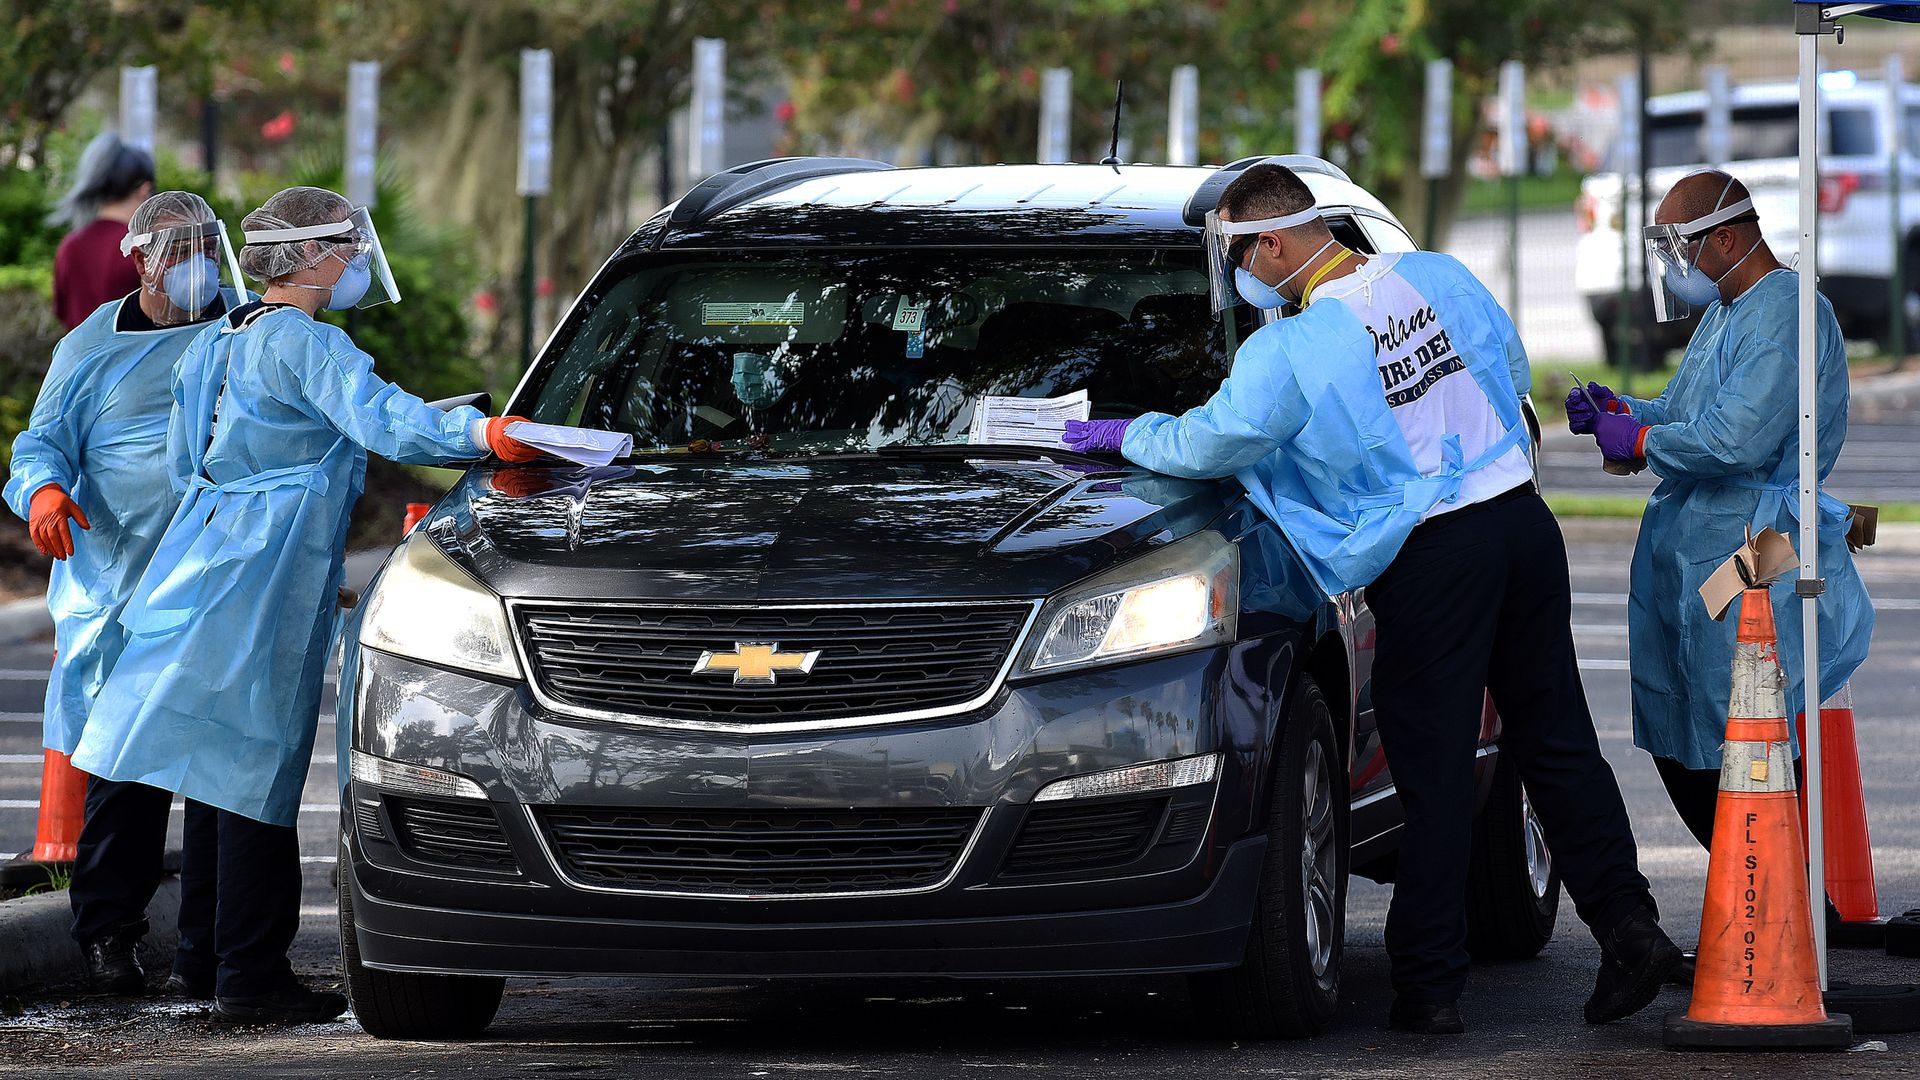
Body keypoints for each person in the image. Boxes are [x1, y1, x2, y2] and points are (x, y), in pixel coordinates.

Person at [1063, 163, 1679, 1034]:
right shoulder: (1439, 276)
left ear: (1269, 243)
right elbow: (1511, 369)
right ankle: (1630, 927)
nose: (1239, 273)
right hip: (1522, 525)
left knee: (1428, 767)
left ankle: (1429, 986)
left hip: (1435, 557)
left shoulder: (1291, 348)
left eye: (1239, 253)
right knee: (1558, 739)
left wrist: (1125, 432)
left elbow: (1214, 439)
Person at [73, 186, 541, 1025]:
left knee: (215, 763)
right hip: (268, 570)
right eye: (351, 248)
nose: (357, 263)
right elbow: (388, 425)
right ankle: (250, 975)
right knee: (259, 771)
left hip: (204, 554)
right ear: (318, 255)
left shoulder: (226, 335)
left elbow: (190, 459)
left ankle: (205, 959)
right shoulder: (308, 341)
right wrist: (485, 437)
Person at [1567, 169, 1874, 858]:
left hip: (1759, 544)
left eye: (1682, 250)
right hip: (1702, 538)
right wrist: (1622, 413)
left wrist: (1642, 441)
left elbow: (1736, 438)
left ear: (1727, 237)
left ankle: (1771, 896)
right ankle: (1758, 892)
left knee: (1741, 722)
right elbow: (1688, 413)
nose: (1677, 270)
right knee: (1683, 722)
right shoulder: (1724, 312)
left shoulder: (1789, 311)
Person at [5, 190, 241, 996]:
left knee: (220, 769)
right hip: (118, 585)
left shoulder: (244, 328)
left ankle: (211, 948)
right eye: (178, 251)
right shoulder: (91, 347)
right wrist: (41, 492)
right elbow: (42, 440)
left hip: (216, 579)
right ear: (139, 258)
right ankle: (109, 935)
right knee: (128, 770)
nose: (196, 265)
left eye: (208, 246)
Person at [48, 134, 156, 331]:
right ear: (144, 190)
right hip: (138, 360)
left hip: (79, 360)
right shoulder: (144, 247)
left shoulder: (70, 245)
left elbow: (62, 312)